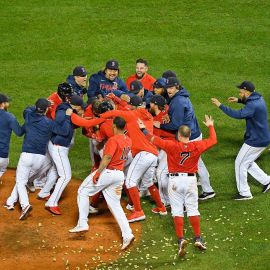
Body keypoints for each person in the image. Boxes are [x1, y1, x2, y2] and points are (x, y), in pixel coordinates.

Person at [138, 115, 217, 256]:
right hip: (191, 181)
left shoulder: (171, 145)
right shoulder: (196, 145)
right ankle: (198, 237)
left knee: (177, 210)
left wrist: (143, 129)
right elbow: (213, 140)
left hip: (174, 182)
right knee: (193, 209)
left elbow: (152, 139)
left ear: (178, 135)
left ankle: (181, 240)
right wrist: (210, 125)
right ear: (189, 135)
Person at [69, 117, 135, 250]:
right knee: (115, 205)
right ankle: (127, 234)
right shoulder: (128, 140)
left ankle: (83, 223)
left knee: (82, 191)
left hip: (108, 173)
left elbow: (107, 157)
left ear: (115, 126)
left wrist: (98, 173)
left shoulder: (113, 140)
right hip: (119, 175)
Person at [100, 95, 167, 223]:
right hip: (153, 154)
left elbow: (115, 112)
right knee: (148, 183)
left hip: (144, 154)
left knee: (130, 181)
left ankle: (138, 211)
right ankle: (161, 207)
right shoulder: (148, 115)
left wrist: (101, 117)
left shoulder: (132, 115)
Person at [5, 98, 71, 219]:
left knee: (21, 181)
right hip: (39, 159)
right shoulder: (49, 123)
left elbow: (27, 109)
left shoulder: (29, 116)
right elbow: (65, 131)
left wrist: (40, 104)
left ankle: (25, 206)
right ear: (46, 110)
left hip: (26, 156)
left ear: (36, 107)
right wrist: (67, 117)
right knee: (24, 180)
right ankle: (10, 201)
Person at [154, 77, 216, 200]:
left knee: (197, 164)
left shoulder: (178, 101)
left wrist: (160, 125)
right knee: (199, 163)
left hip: (190, 137)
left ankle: (208, 190)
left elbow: (176, 125)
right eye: (168, 88)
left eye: (171, 87)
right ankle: (207, 189)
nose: (169, 90)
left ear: (177, 87)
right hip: (193, 132)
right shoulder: (180, 96)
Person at [43, 95, 105, 215]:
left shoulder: (69, 111)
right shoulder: (64, 112)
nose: (83, 110)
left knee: (57, 171)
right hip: (58, 147)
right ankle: (52, 203)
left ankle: (44, 192)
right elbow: (58, 125)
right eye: (82, 108)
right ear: (76, 106)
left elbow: (80, 123)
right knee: (66, 176)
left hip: (58, 146)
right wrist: (104, 118)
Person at [211, 81, 270, 199]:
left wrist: (220, 105)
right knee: (247, 161)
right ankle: (267, 181)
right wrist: (239, 100)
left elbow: (238, 114)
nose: (240, 92)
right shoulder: (258, 98)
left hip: (256, 140)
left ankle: (245, 193)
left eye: (241, 91)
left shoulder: (253, 105)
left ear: (247, 92)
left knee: (239, 163)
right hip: (262, 137)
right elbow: (249, 103)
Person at [0, 94, 24, 181]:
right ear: (2, 104)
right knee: (2, 167)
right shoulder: (9, 117)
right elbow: (19, 132)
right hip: (2, 155)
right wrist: (27, 123)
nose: (8, 103)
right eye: (7, 102)